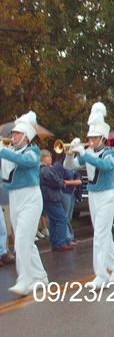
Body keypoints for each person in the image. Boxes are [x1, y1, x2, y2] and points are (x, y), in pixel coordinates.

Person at [65, 102, 114, 289]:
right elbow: (70, 166)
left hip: (107, 196)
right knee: (103, 235)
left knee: (99, 235)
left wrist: (85, 153)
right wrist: (71, 153)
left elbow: (106, 166)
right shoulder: (88, 152)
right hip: (92, 196)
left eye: (94, 138)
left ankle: (101, 275)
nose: (90, 141)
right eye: (89, 137)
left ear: (102, 138)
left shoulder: (110, 153)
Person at [0, 111, 48, 295]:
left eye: (16, 134)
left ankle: (25, 279)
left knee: (21, 241)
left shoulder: (33, 151)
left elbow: (25, 162)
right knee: (26, 241)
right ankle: (41, 276)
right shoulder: (9, 152)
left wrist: (3, 151)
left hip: (30, 197)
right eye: (12, 134)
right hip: (14, 197)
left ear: (27, 137)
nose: (12, 136)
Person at [40, 149, 72, 251]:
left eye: (50, 156)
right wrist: (62, 183)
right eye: (47, 157)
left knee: (53, 221)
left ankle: (54, 242)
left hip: (47, 198)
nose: (50, 158)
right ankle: (61, 242)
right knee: (61, 219)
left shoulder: (43, 169)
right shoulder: (45, 170)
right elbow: (57, 182)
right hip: (51, 198)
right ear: (42, 158)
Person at [53, 158, 82, 246]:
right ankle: (66, 238)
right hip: (64, 193)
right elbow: (60, 181)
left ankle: (70, 237)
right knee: (64, 217)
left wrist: (75, 179)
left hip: (72, 193)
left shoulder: (71, 165)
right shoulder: (59, 166)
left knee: (69, 217)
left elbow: (77, 175)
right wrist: (74, 182)